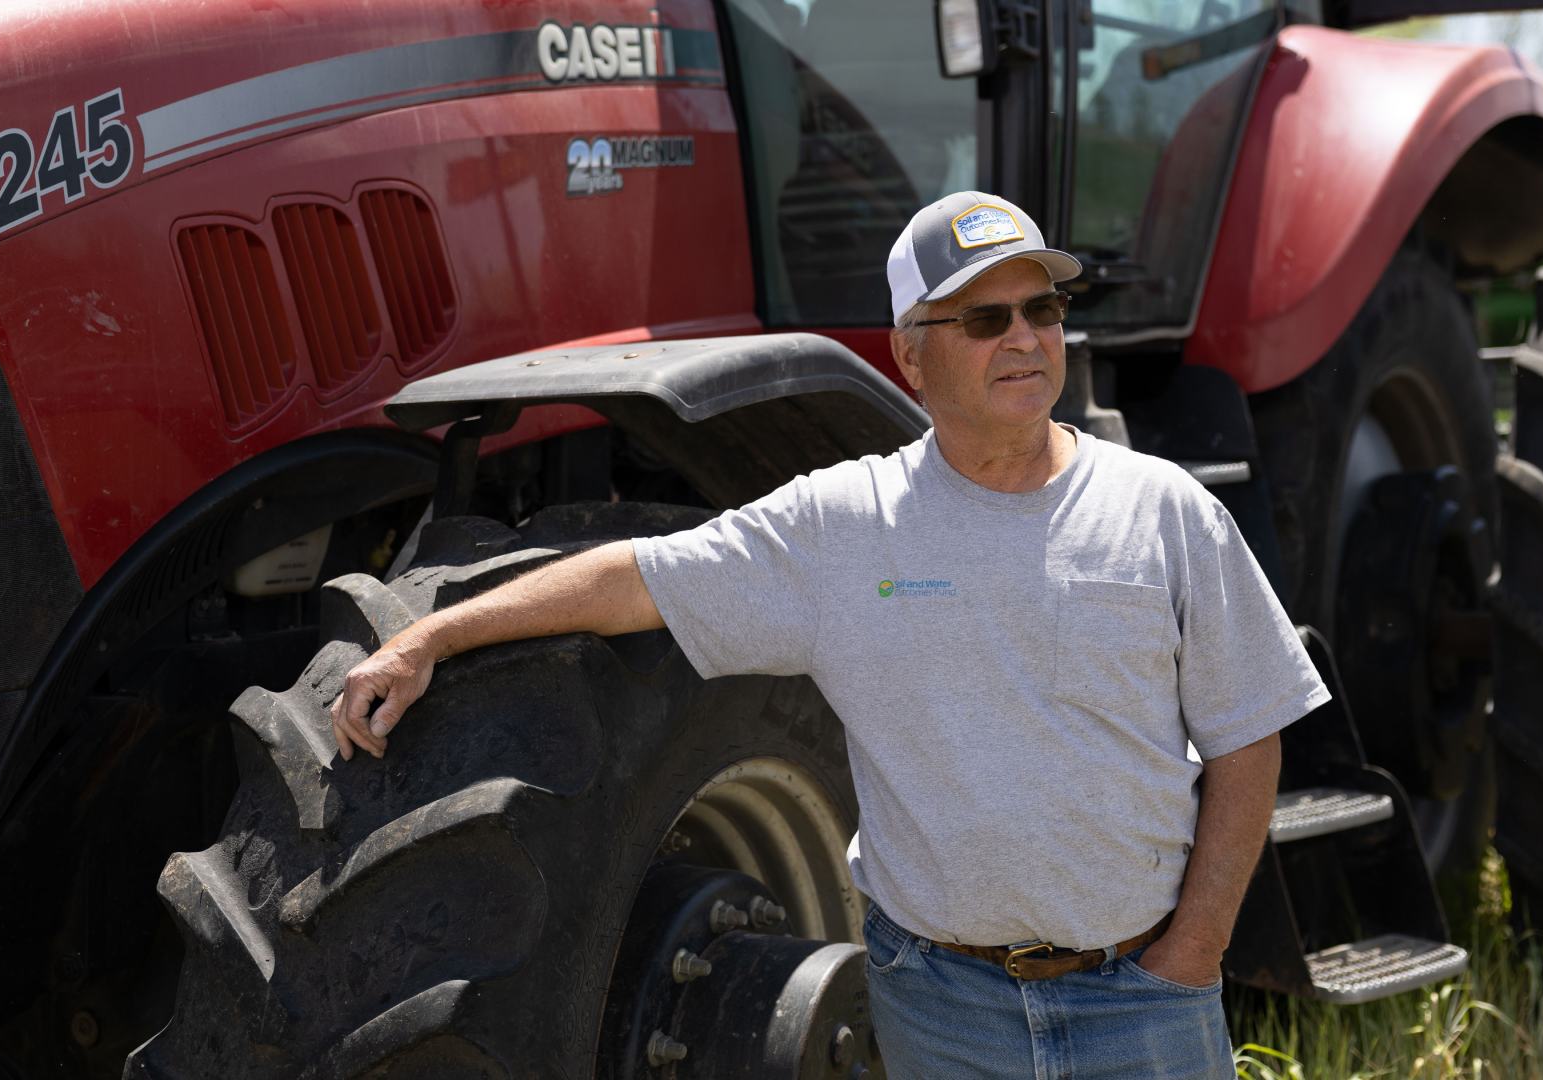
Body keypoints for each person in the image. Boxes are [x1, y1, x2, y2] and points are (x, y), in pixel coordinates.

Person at [331, 190, 1329, 1079]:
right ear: (908, 353)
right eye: (986, 318)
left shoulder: (1165, 511)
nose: (1026, 339)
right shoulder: (843, 526)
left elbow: (1248, 736)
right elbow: (634, 579)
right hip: (944, 1012)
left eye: (1044, 309)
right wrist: (435, 637)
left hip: (1140, 1007)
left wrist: (1192, 952)